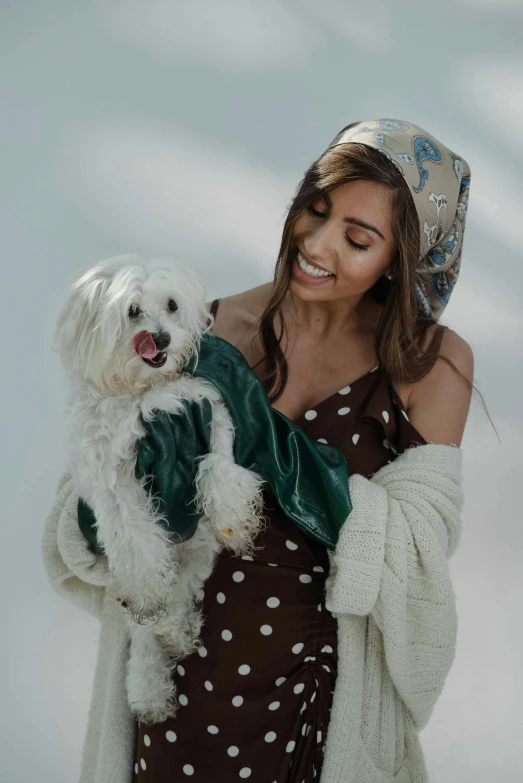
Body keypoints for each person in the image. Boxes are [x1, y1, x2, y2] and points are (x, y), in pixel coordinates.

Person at [42, 118, 479, 783]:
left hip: (314, 703)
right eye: (315, 208)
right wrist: (122, 493)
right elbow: (90, 512)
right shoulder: (200, 324)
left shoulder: (430, 363)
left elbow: (418, 553)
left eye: (356, 238)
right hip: (175, 697)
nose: (315, 243)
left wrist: (264, 439)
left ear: (399, 257)